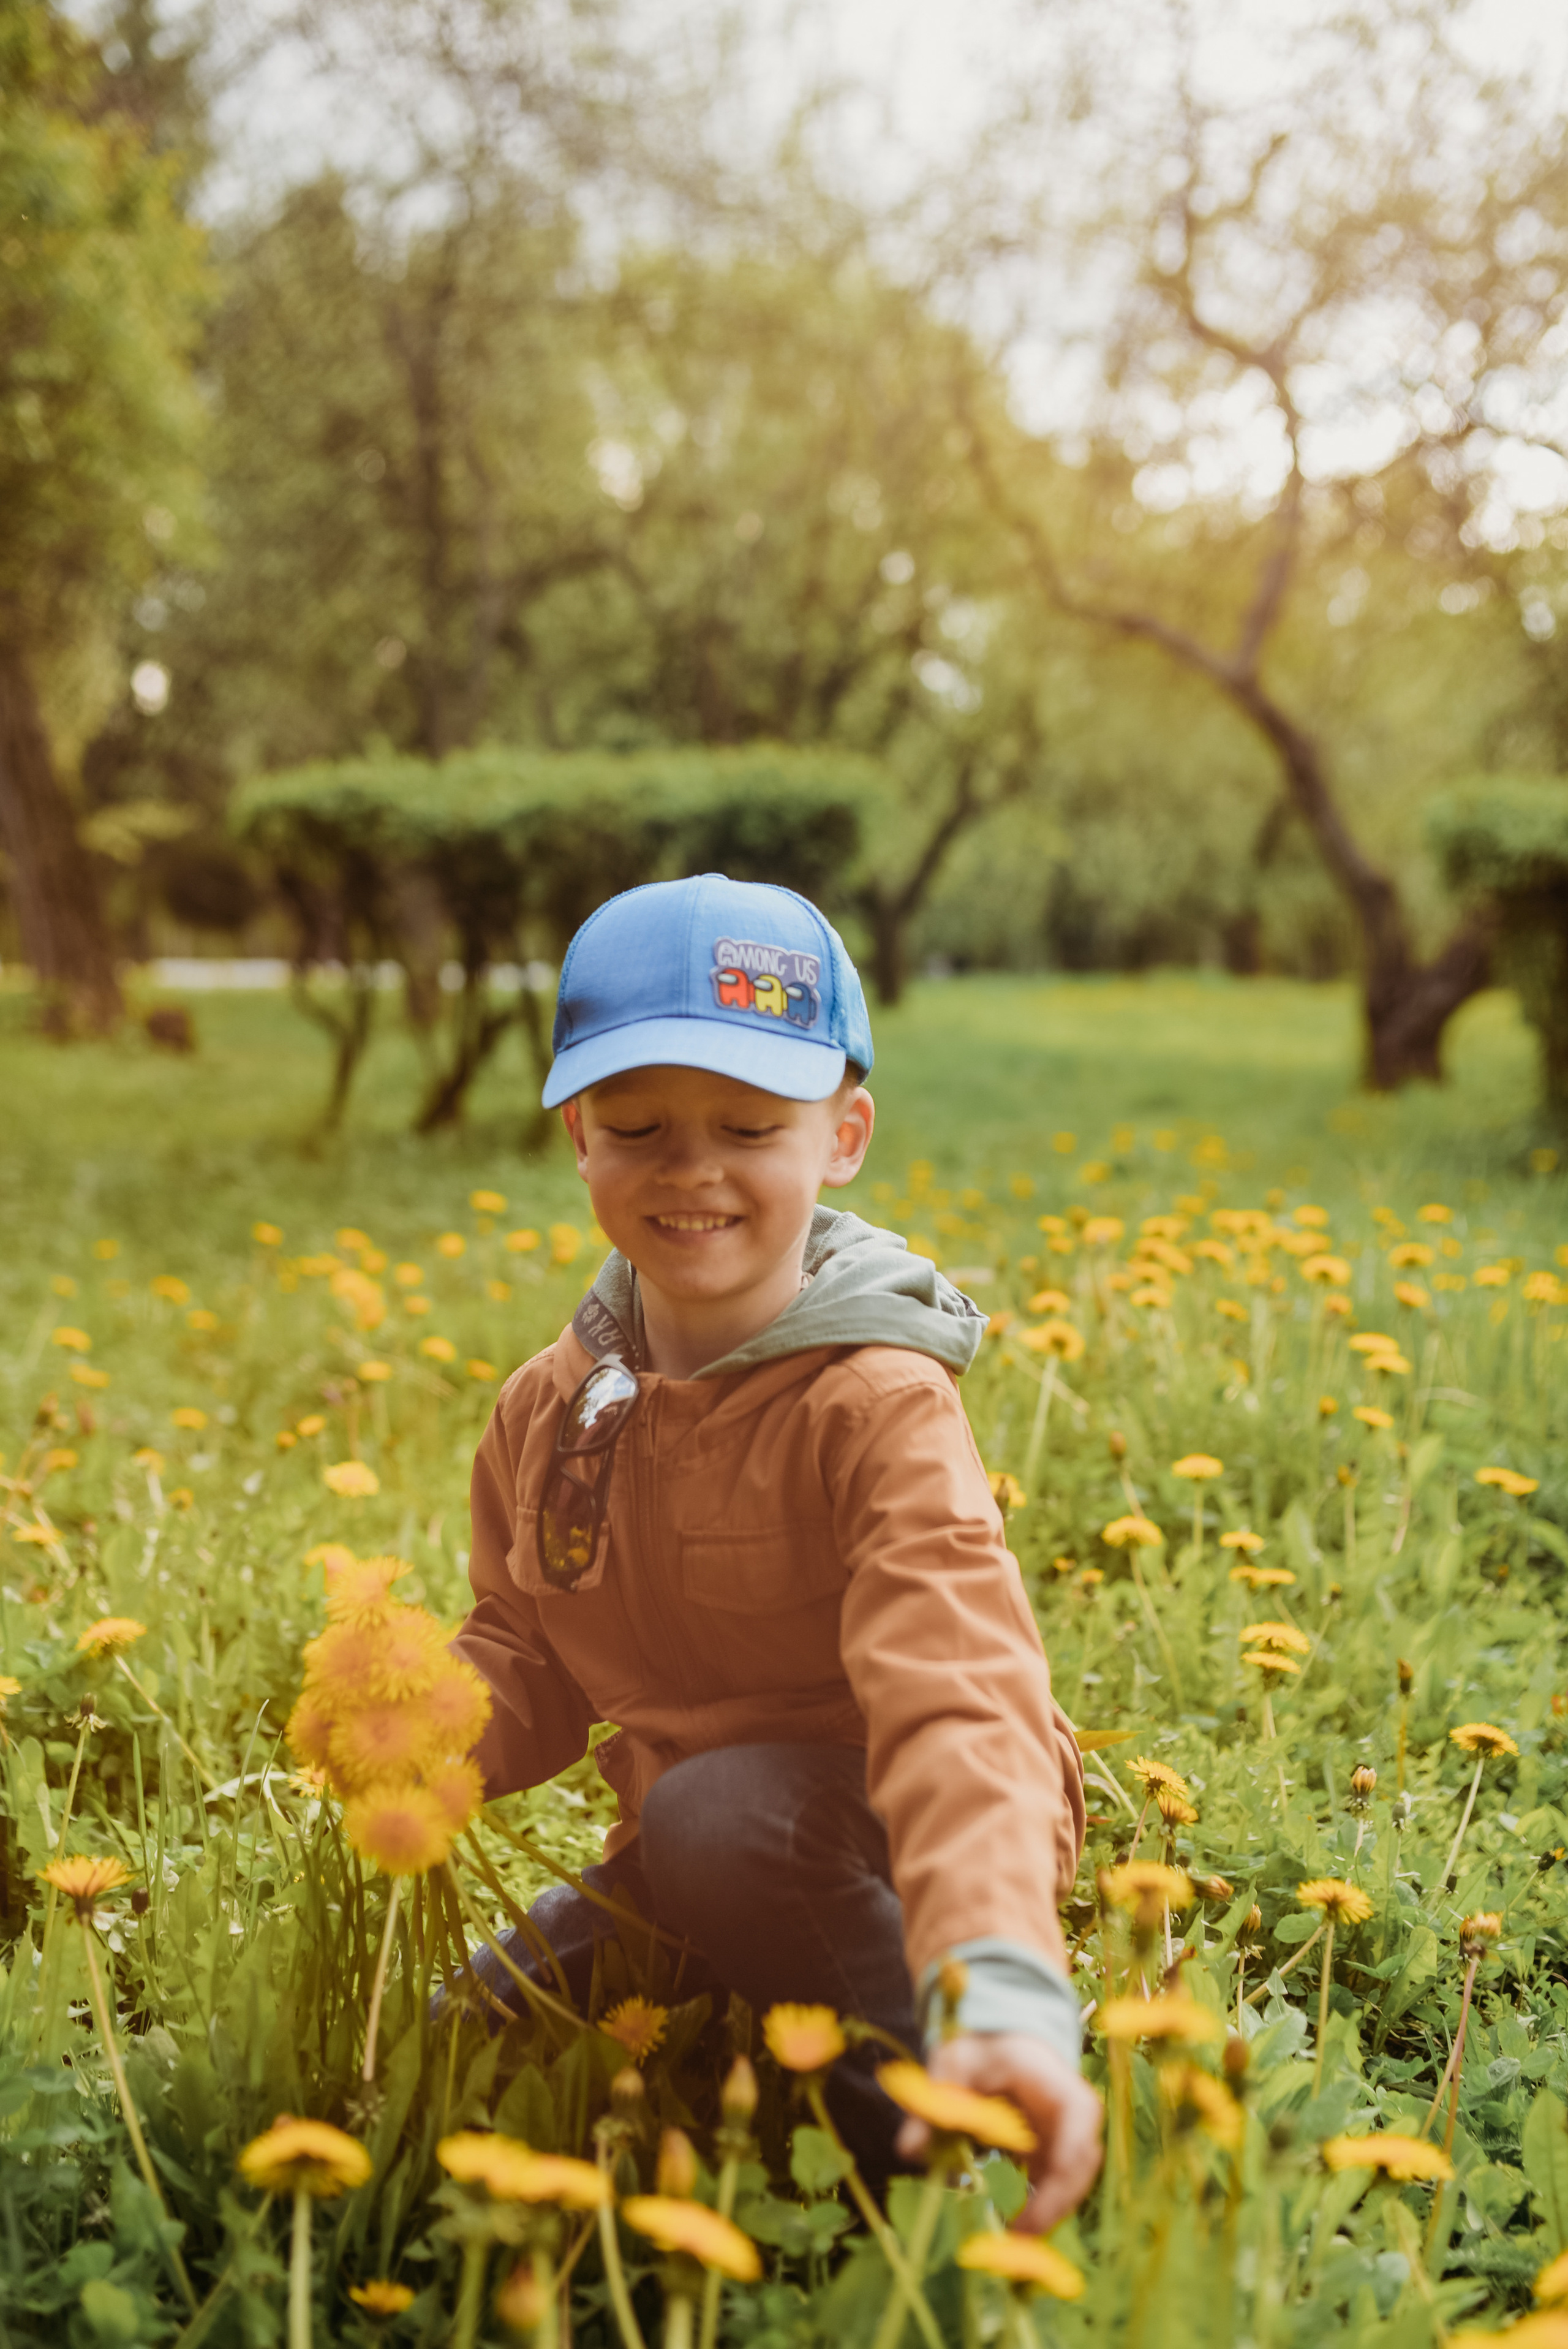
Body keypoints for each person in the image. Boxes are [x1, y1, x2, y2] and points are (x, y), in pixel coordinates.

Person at [450, 872, 1101, 2229]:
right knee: (475, 2030)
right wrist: (422, 1735)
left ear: (842, 1136)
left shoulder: (876, 1401)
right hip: (691, 1839)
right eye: (638, 1126)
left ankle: (936, 2155)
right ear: (578, 1135)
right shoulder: (550, 1407)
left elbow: (961, 1693)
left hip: (893, 1824)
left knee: (722, 1818)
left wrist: (996, 1973)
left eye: (749, 1126)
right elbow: (526, 1647)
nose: (690, 1169)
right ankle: (728, 1948)